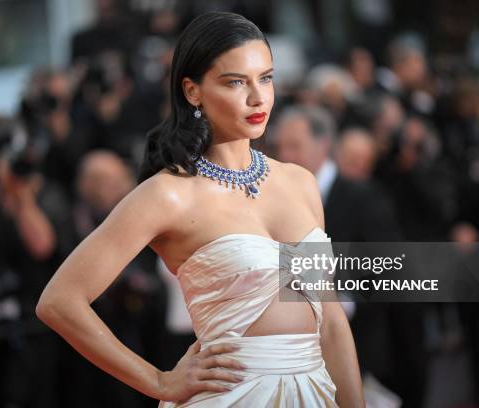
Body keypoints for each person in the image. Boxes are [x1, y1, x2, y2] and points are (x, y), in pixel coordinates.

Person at [36, 12, 364, 407]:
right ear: (192, 91)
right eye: (236, 82)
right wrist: (158, 381)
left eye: (266, 78)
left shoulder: (300, 182)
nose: (258, 97)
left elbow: (330, 323)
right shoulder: (169, 195)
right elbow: (59, 301)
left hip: (314, 393)